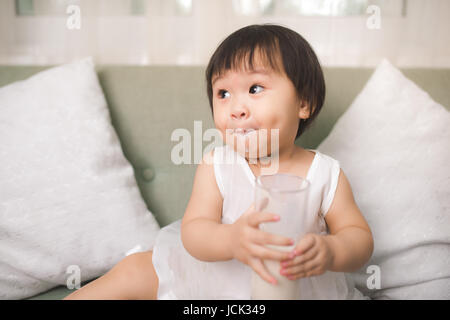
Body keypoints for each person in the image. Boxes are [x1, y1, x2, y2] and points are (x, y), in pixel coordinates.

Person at [65, 24, 373, 300]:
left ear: (303, 103)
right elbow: (194, 231)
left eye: (255, 89)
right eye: (223, 93)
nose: (236, 108)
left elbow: (358, 237)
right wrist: (232, 239)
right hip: (217, 281)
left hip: (295, 290)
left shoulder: (325, 173)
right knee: (136, 269)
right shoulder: (217, 165)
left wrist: (331, 251)